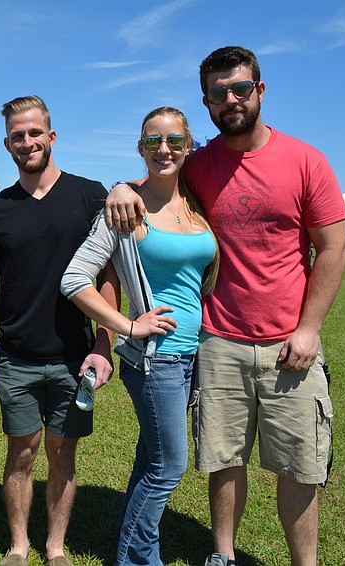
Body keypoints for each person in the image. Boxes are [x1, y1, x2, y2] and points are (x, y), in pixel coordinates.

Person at [106, 46, 345, 566]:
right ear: (207, 102)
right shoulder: (201, 164)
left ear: (260, 91)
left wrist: (309, 328)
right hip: (217, 341)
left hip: (291, 343)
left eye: (240, 88)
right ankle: (223, 555)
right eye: (219, 93)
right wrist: (120, 188)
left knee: (300, 466)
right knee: (223, 458)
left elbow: (334, 246)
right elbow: (156, 183)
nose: (231, 99)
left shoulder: (306, 160)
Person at [62, 107, 219, 565]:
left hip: (194, 353)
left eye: (173, 141)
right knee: (169, 467)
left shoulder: (195, 202)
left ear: (189, 146)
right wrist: (128, 326)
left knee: (151, 458)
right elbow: (75, 279)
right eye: (153, 141)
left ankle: (133, 550)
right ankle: (135, 557)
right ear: (140, 148)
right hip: (157, 359)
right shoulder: (126, 207)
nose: (163, 149)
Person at [0, 95, 116, 566]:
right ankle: (18, 545)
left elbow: (108, 275)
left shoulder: (90, 196)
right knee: (23, 452)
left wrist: (104, 342)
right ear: (7, 144)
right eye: (17, 136)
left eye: (34, 133)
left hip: (75, 356)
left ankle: (55, 546)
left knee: (62, 453)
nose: (26, 142)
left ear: (51, 136)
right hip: (17, 355)